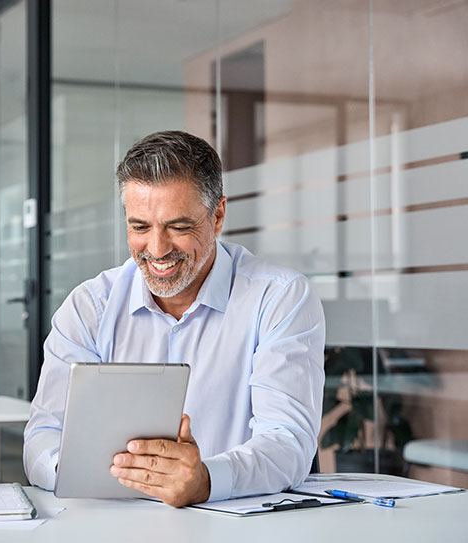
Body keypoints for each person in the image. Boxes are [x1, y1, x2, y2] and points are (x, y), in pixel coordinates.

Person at [23, 131, 325, 507]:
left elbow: (288, 441)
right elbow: (44, 434)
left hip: (231, 523)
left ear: (217, 216)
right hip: (108, 522)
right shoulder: (90, 306)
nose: (157, 249)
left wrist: (206, 480)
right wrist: (74, 472)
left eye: (178, 227)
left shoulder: (279, 297)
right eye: (139, 227)